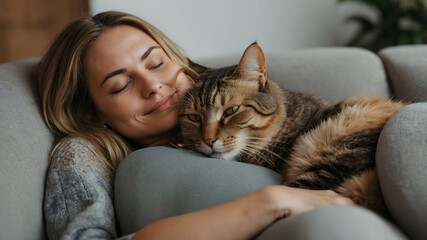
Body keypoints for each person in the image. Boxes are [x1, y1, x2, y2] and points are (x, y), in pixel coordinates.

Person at [33, 11, 407, 240]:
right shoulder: (83, 155)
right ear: (94, 112)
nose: (154, 86)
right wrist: (270, 202)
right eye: (121, 84)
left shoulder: (225, 94)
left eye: (156, 63)